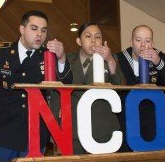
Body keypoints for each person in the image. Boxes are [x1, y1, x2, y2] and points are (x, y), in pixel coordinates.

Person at [0, 10, 72, 162]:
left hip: (35, 131)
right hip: (5, 128)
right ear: (22, 29)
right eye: (34, 28)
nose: (39, 35)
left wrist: (61, 58)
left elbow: (66, 84)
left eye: (43, 30)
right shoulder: (0, 54)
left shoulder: (48, 55)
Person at [50, 22, 123, 154]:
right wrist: (54, 127)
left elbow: (121, 86)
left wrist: (110, 60)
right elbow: (56, 94)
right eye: (88, 36)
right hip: (73, 130)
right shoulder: (67, 60)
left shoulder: (110, 60)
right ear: (79, 41)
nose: (93, 40)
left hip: (103, 128)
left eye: (98, 37)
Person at [116, 25, 165, 152]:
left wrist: (158, 62)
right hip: (125, 117)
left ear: (153, 43)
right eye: (138, 40)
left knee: (150, 158)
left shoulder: (161, 57)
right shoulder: (119, 59)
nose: (143, 45)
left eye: (147, 41)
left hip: (152, 117)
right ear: (131, 42)